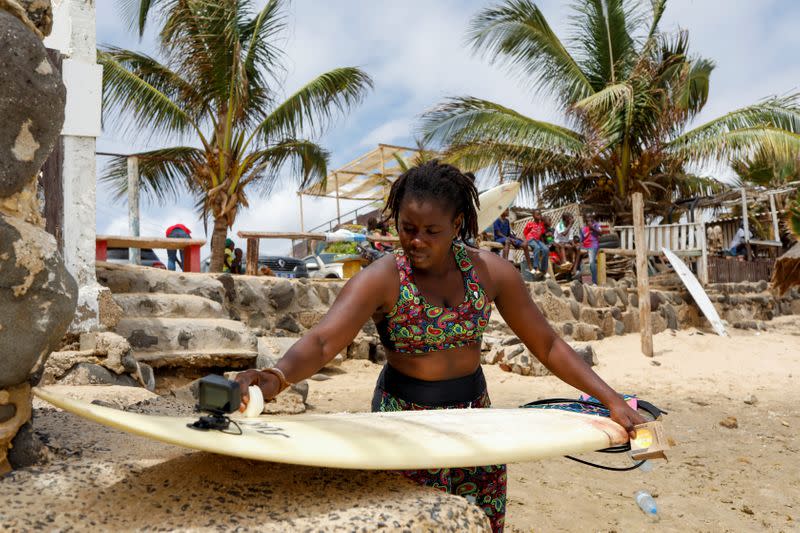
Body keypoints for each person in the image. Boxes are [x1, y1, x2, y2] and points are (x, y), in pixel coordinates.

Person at [234, 160, 645, 532]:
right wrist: (275, 377)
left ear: (458, 223)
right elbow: (324, 341)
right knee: (410, 523)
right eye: (408, 229)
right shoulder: (383, 279)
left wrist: (609, 399)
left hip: (475, 421)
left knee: (479, 521)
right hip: (403, 424)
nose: (416, 241)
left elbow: (548, 344)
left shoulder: (491, 273)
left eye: (431, 231)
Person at [523, 209, 549, 274]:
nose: (539, 216)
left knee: (546, 249)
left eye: (540, 214)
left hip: (537, 240)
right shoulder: (530, 224)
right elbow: (525, 233)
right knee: (537, 247)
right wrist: (525, 241)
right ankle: (536, 267)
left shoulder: (541, 225)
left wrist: (543, 244)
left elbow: (542, 236)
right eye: (537, 214)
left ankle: (544, 269)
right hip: (530, 239)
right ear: (533, 216)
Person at [580, 214, 602, 284]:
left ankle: (594, 282)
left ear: (593, 219)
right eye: (587, 219)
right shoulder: (583, 228)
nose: (589, 220)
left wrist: (592, 228)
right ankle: (582, 280)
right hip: (584, 246)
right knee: (578, 259)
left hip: (593, 245)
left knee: (592, 262)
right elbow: (581, 240)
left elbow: (600, 233)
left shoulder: (596, 225)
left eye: (590, 218)